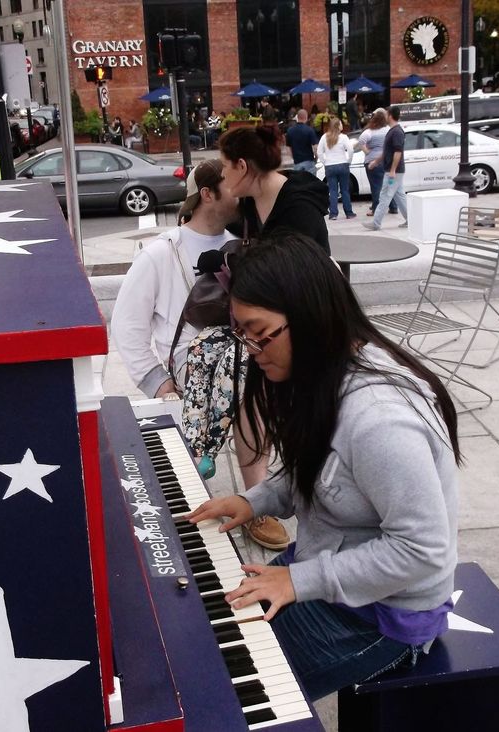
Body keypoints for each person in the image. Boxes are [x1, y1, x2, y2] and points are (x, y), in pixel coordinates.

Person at [187, 234, 461, 701]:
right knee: (209, 627)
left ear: (309, 317)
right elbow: (317, 469)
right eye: (243, 334)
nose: (251, 349)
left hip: (383, 615)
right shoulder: (322, 375)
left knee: (222, 689)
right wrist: (253, 501)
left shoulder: (380, 421)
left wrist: (298, 580)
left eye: (259, 333)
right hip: (327, 571)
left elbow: (422, 550)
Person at [110, 160, 284, 550]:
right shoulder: (162, 253)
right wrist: (157, 381)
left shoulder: (242, 243)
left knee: (250, 374)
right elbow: (127, 324)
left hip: (240, 356)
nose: (241, 190)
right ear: (207, 194)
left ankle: (252, 499)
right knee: (247, 374)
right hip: (190, 361)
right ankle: (246, 498)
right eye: (231, 184)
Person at [219, 125, 330, 254]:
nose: (222, 174)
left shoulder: (300, 209)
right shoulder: (249, 201)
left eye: (224, 165)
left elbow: (291, 263)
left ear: (241, 166)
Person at [362, 105, 408, 231]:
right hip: (394, 171)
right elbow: (387, 152)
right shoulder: (392, 131)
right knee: (399, 196)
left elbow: (398, 152)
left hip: (393, 172)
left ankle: (376, 223)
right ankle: (411, 220)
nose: (385, 116)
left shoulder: (397, 132)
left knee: (385, 195)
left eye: (387, 114)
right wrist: (376, 162)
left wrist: (392, 170)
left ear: (390, 116)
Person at [356, 108, 397, 217]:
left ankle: (376, 209)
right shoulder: (388, 129)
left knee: (376, 187)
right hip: (386, 160)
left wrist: (367, 151)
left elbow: (361, 141)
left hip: (372, 161)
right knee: (388, 185)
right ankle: (393, 207)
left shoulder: (369, 131)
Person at [317, 117, 356, 220]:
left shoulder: (324, 137)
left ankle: (333, 214)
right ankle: (349, 213)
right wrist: (349, 161)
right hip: (342, 164)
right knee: (345, 190)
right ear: (338, 126)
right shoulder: (343, 137)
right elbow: (351, 150)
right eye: (341, 124)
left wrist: (325, 162)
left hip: (330, 165)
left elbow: (319, 152)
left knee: (333, 190)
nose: (342, 125)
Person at [285, 109, 318, 174]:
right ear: (306, 117)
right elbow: (315, 147)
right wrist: (316, 157)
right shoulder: (310, 130)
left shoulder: (290, 131)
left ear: (297, 117)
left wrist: (293, 157)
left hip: (297, 162)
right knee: (311, 180)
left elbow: (288, 148)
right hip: (309, 161)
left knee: (299, 180)